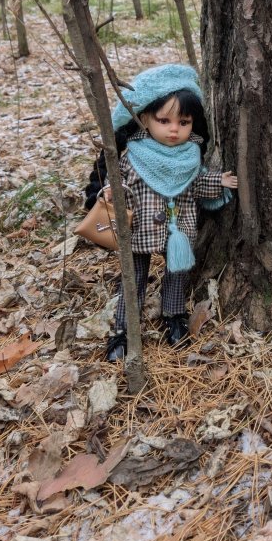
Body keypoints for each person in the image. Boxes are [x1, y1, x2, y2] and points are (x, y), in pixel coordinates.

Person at [83, 64, 238, 361]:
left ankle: (174, 317)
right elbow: (120, 181)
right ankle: (124, 330)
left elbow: (196, 184)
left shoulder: (191, 156)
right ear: (144, 119)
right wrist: (108, 192)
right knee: (134, 277)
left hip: (177, 232)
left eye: (184, 121)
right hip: (138, 229)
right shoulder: (134, 154)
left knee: (176, 274)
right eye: (164, 120)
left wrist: (219, 181)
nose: (174, 129)